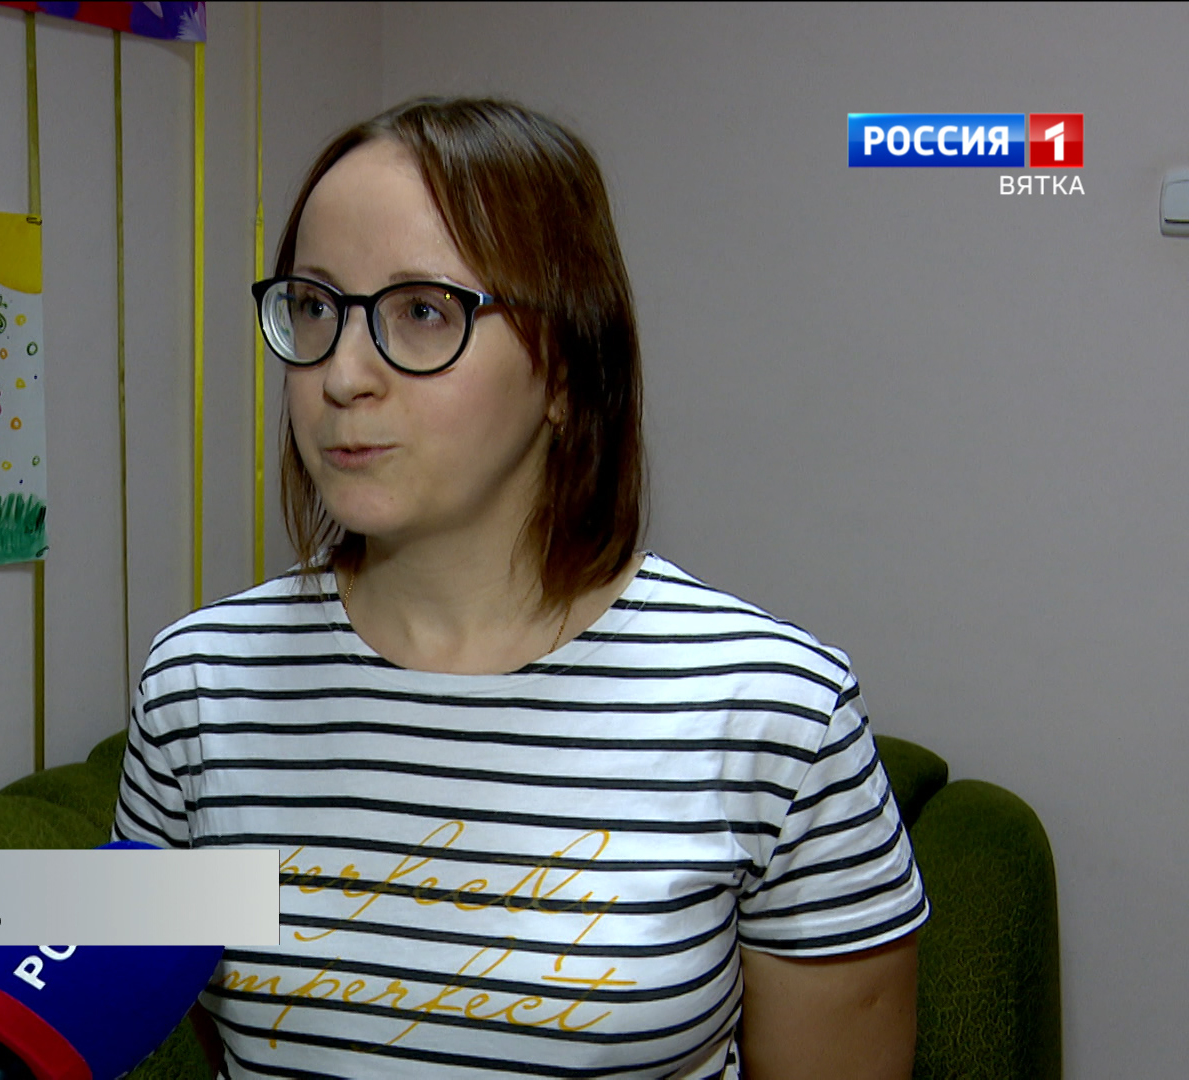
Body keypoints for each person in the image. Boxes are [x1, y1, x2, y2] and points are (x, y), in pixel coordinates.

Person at [112, 97, 927, 1079]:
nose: (343, 375)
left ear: (566, 371)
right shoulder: (197, 683)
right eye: (317, 308)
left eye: (422, 311)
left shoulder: (778, 711)